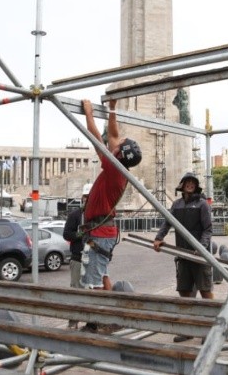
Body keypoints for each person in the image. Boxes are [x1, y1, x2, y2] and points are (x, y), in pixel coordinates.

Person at [80, 98, 141, 292]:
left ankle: (97, 320)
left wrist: (88, 113)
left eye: (121, 143)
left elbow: (97, 139)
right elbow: (113, 135)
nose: (117, 140)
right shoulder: (119, 164)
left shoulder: (114, 168)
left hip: (100, 231)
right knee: (102, 273)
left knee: (94, 281)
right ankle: (110, 315)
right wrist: (112, 109)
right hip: (101, 230)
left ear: (120, 153)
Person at [152, 172, 214, 342]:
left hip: (199, 256)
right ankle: (188, 329)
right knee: (185, 291)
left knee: (205, 291)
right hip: (182, 255)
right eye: (187, 182)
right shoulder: (177, 205)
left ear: (196, 186)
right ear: (182, 185)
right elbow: (167, 222)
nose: (190, 184)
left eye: (193, 182)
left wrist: (201, 247)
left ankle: (210, 332)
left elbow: (208, 229)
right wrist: (159, 238)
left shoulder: (202, 205)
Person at [62, 183, 92, 329]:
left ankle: (92, 324)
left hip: (93, 260)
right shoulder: (75, 216)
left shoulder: (98, 217)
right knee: (76, 291)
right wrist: (79, 235)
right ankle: (73, 323)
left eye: (90, 198)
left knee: (92, 293)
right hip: (77, 258)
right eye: (85, 197)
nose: (87, 200)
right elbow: (66, 234)